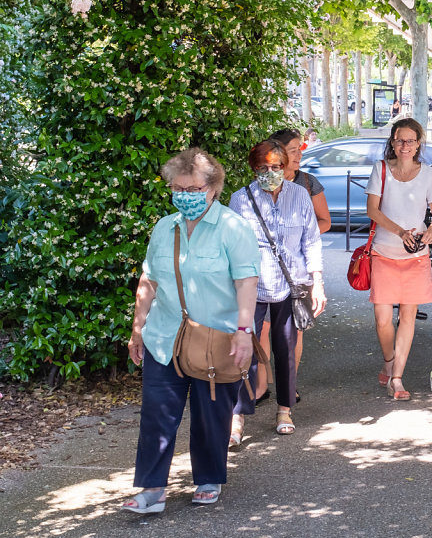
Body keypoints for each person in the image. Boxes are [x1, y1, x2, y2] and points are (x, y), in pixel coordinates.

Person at [123, 148, 260, 513]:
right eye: (178, 188)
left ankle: (208, 477)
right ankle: (151, 490)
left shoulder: (233, 227)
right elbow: (149, 280)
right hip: (165, 336)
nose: (184, 195)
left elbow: (247, 282)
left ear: (212, 188)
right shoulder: (164, 227)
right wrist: (138, 329)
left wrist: (244, 331)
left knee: (210, 413)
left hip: (217, 338)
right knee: (157, 413)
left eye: (193, 188)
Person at [228, 140, 325, 445]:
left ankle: (285, 409)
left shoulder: (299, 196)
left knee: (285, 350)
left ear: (285, 168)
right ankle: (237, 416)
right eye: (262, 168)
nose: (269, 173)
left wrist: (317, 282)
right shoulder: (240, 200)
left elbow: (311, 240)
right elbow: (230, 246)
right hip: (251, 287)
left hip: (289, 286)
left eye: (275, 167)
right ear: (253, 168)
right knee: (245, 351)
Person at [366, 118, 432, 400]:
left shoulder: (428, 174)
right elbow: (372, 210)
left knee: (408, 317)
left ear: (418, 143)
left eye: (410, 140)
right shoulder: (381, 169)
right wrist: (400, 231)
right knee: (383, 319)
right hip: (384, 251)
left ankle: (396, 378)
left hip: (416, 255)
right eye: (400, 140)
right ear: (392, 142)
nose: (405, 145)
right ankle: (389, 363)